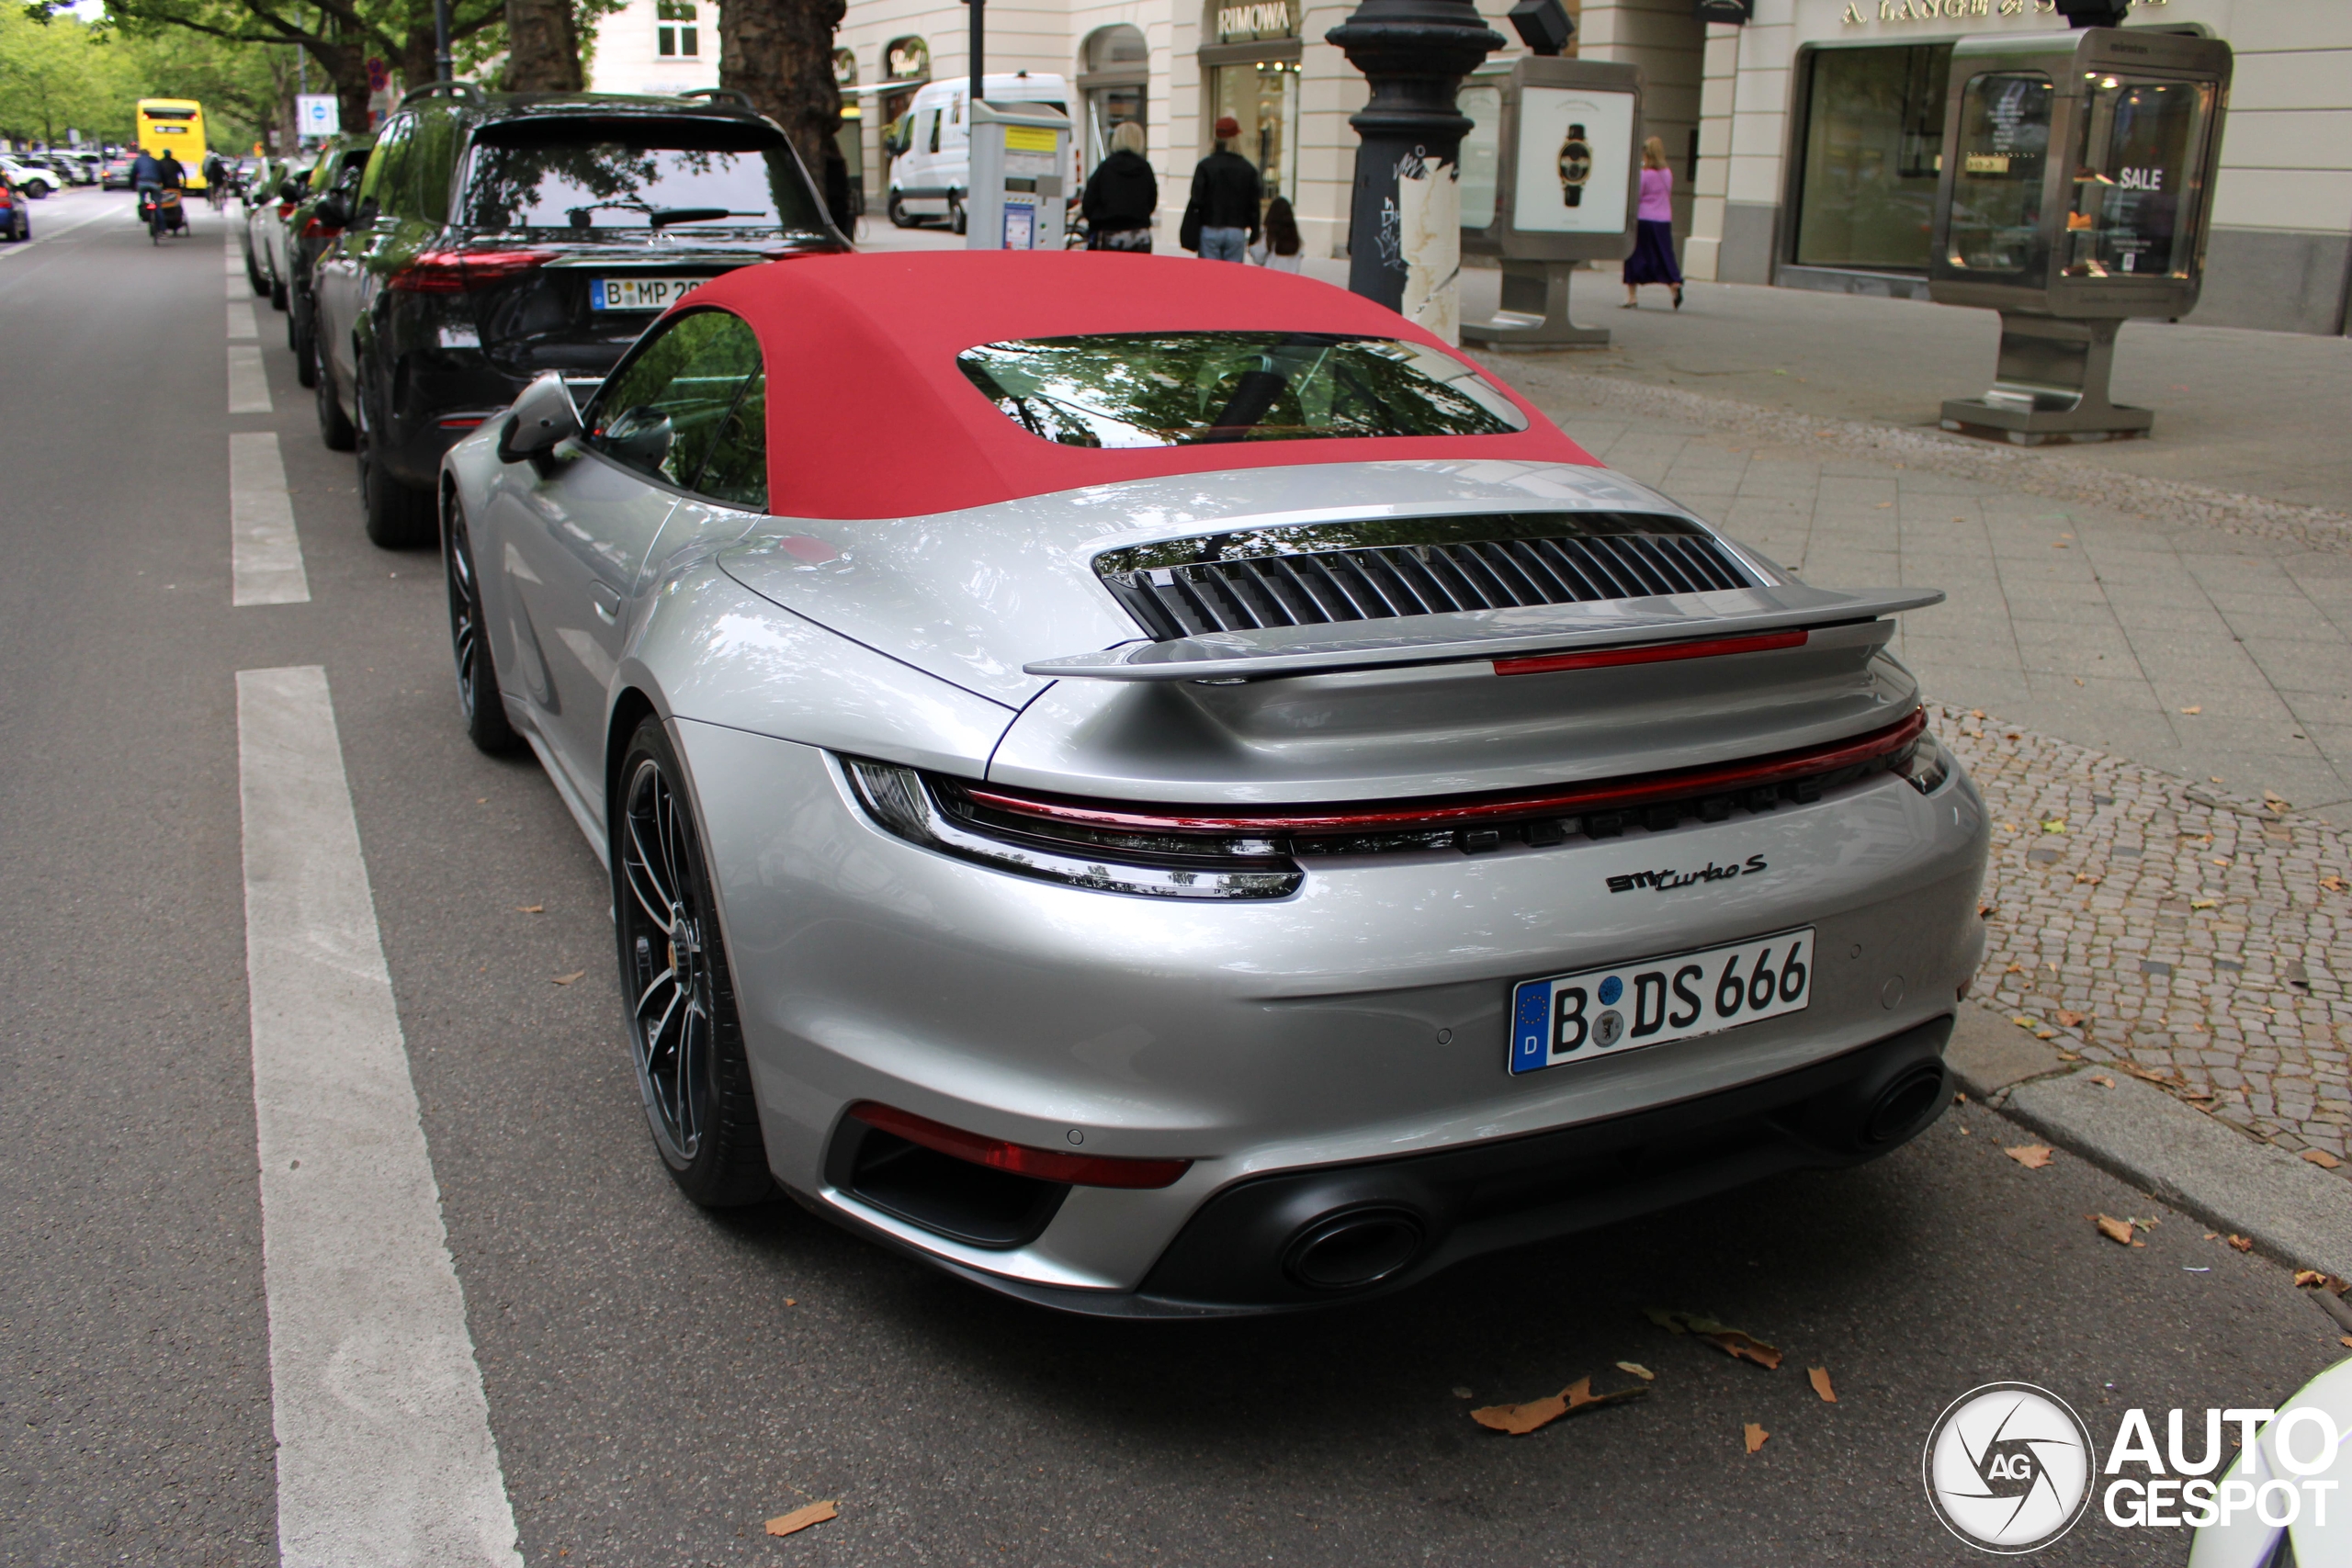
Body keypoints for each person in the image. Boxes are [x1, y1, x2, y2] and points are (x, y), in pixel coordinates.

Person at [1181, 116, 1259, 262]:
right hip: (1236, 229)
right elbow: (1254, 203)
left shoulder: (1205, 166)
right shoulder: (1248, 169)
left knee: (1209, 279)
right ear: (1236, 138)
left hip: (1210, 227)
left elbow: (1196, 198)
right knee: (1232, 279)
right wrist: (1255, 231)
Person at [1623, 135, 1682, 310]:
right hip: (1663, 219)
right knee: (1664, 254)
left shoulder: (1645, 175)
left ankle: (1632, 296)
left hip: (1644, 219)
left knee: (1634, 255)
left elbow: (1637, 197)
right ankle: (1674, 284)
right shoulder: (1667, 174)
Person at [1081, 120, 1157, 252]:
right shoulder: (1145, 169)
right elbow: (1152, 201)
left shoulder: (1105, 168)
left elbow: (1088, 203)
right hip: (1139, 235)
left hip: (1110, 234)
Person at [1248, 196, 1301, 272]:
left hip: (1272, 278)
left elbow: (1258, 257)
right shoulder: (1296, 240)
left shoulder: (1269, 236)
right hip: (1291, 279)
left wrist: (1251, 248)